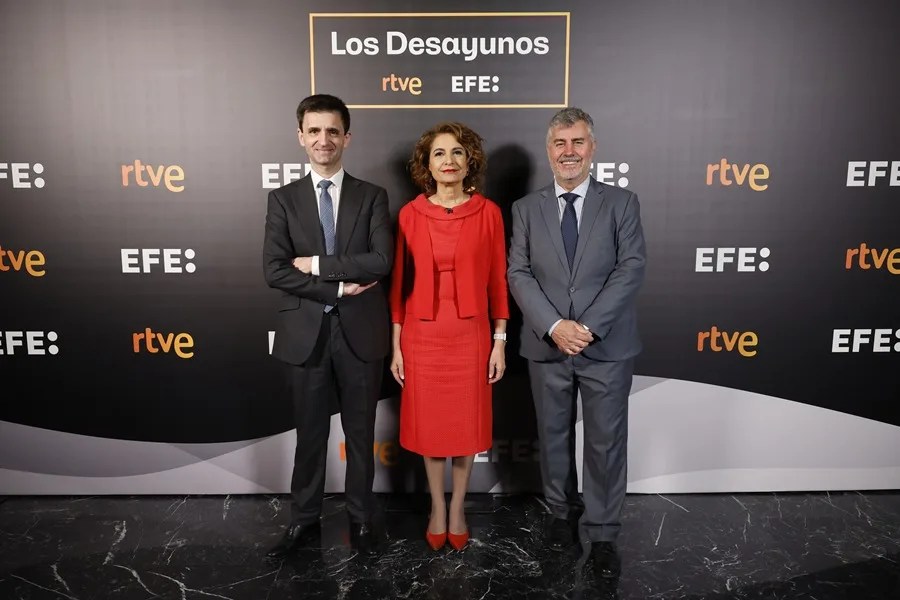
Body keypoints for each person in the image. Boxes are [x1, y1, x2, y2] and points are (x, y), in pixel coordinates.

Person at [507, 107, 646, 578]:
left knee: (606, 443)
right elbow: (518, 272)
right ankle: (561, 517)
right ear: (549, 151)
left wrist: (584, 327)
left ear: (593, 147)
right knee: (553, 438)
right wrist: (554, 326)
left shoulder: (623, 203)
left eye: (578, 142)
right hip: (547, 344)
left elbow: (631, 268)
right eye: (560, 144)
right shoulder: (525, 208)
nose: (569, 152)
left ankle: (604, 531)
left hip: (605, 345)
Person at [262, 93, 393, 559]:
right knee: (310, 433)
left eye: (332, 131)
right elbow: (275, 270)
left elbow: (381, 260)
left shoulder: (372, 196)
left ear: (347, 137)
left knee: (361, 434)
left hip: (362, 333)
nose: (324, 140)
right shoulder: (283, 199)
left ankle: (361, 519)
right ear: (301, 137)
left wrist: (316, 262)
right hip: (306, 335)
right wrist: (337, 288)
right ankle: (303, 521)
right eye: (314, 131)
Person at [389, 122, 509, 551]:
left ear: (469, 161)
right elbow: (399, 284)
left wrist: (500, 341)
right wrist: (396, 346)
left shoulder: (489, 213)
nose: (449, 162)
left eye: (458, 153)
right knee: (431, 431)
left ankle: (458, 507)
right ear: (427, 165)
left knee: (464, 430)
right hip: (422, 337)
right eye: (439, 154)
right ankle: (436, 507)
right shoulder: (409, 214)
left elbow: (498, 281)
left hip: (472, 336)